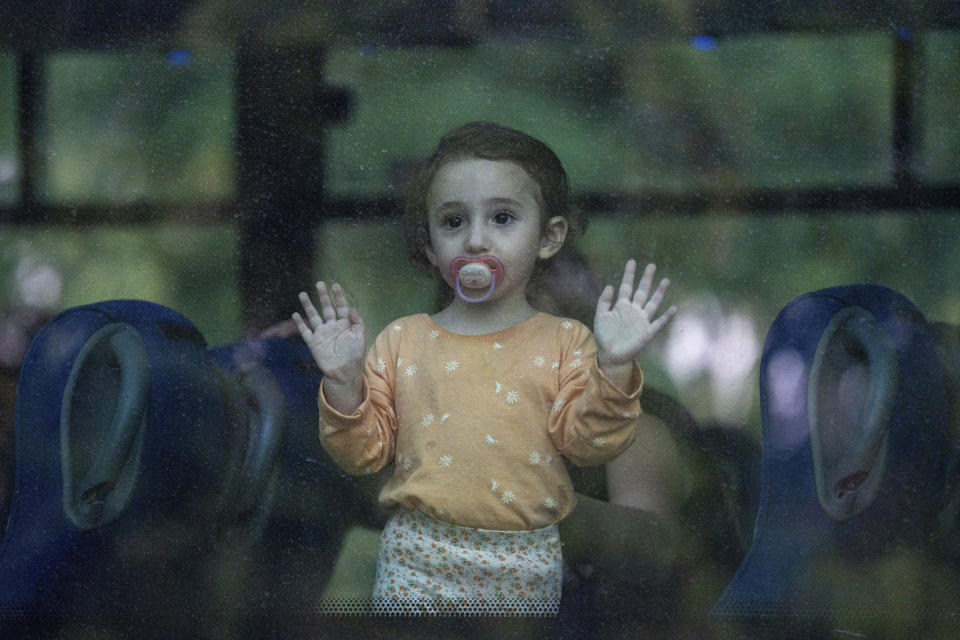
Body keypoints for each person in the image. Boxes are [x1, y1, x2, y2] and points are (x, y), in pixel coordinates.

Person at [293, 122, 676, 615]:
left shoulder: (565, 343)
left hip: (522, 561)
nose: (476, 240)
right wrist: (344, 382)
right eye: (453, 222)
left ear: (549, 237)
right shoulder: (403, 340)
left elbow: (589, 441)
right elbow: (364, 453)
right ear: (430, 246)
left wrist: (614, 365)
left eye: (502, 217)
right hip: (416, 559)